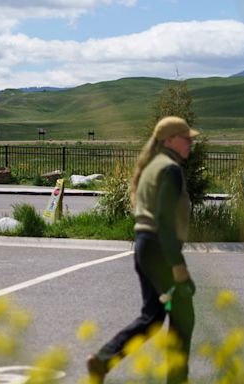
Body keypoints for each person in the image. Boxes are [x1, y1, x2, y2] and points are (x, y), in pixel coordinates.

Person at [87, 116, 199, 384]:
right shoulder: (169, 169)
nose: (190, 143)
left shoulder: (153, 166)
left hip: (146, 247)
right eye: (186, 138)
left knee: (154, 316)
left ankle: (103, 360)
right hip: (160, 250)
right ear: (170, 140)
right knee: (183, 316)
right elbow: (163, 220)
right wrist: (178, 265)